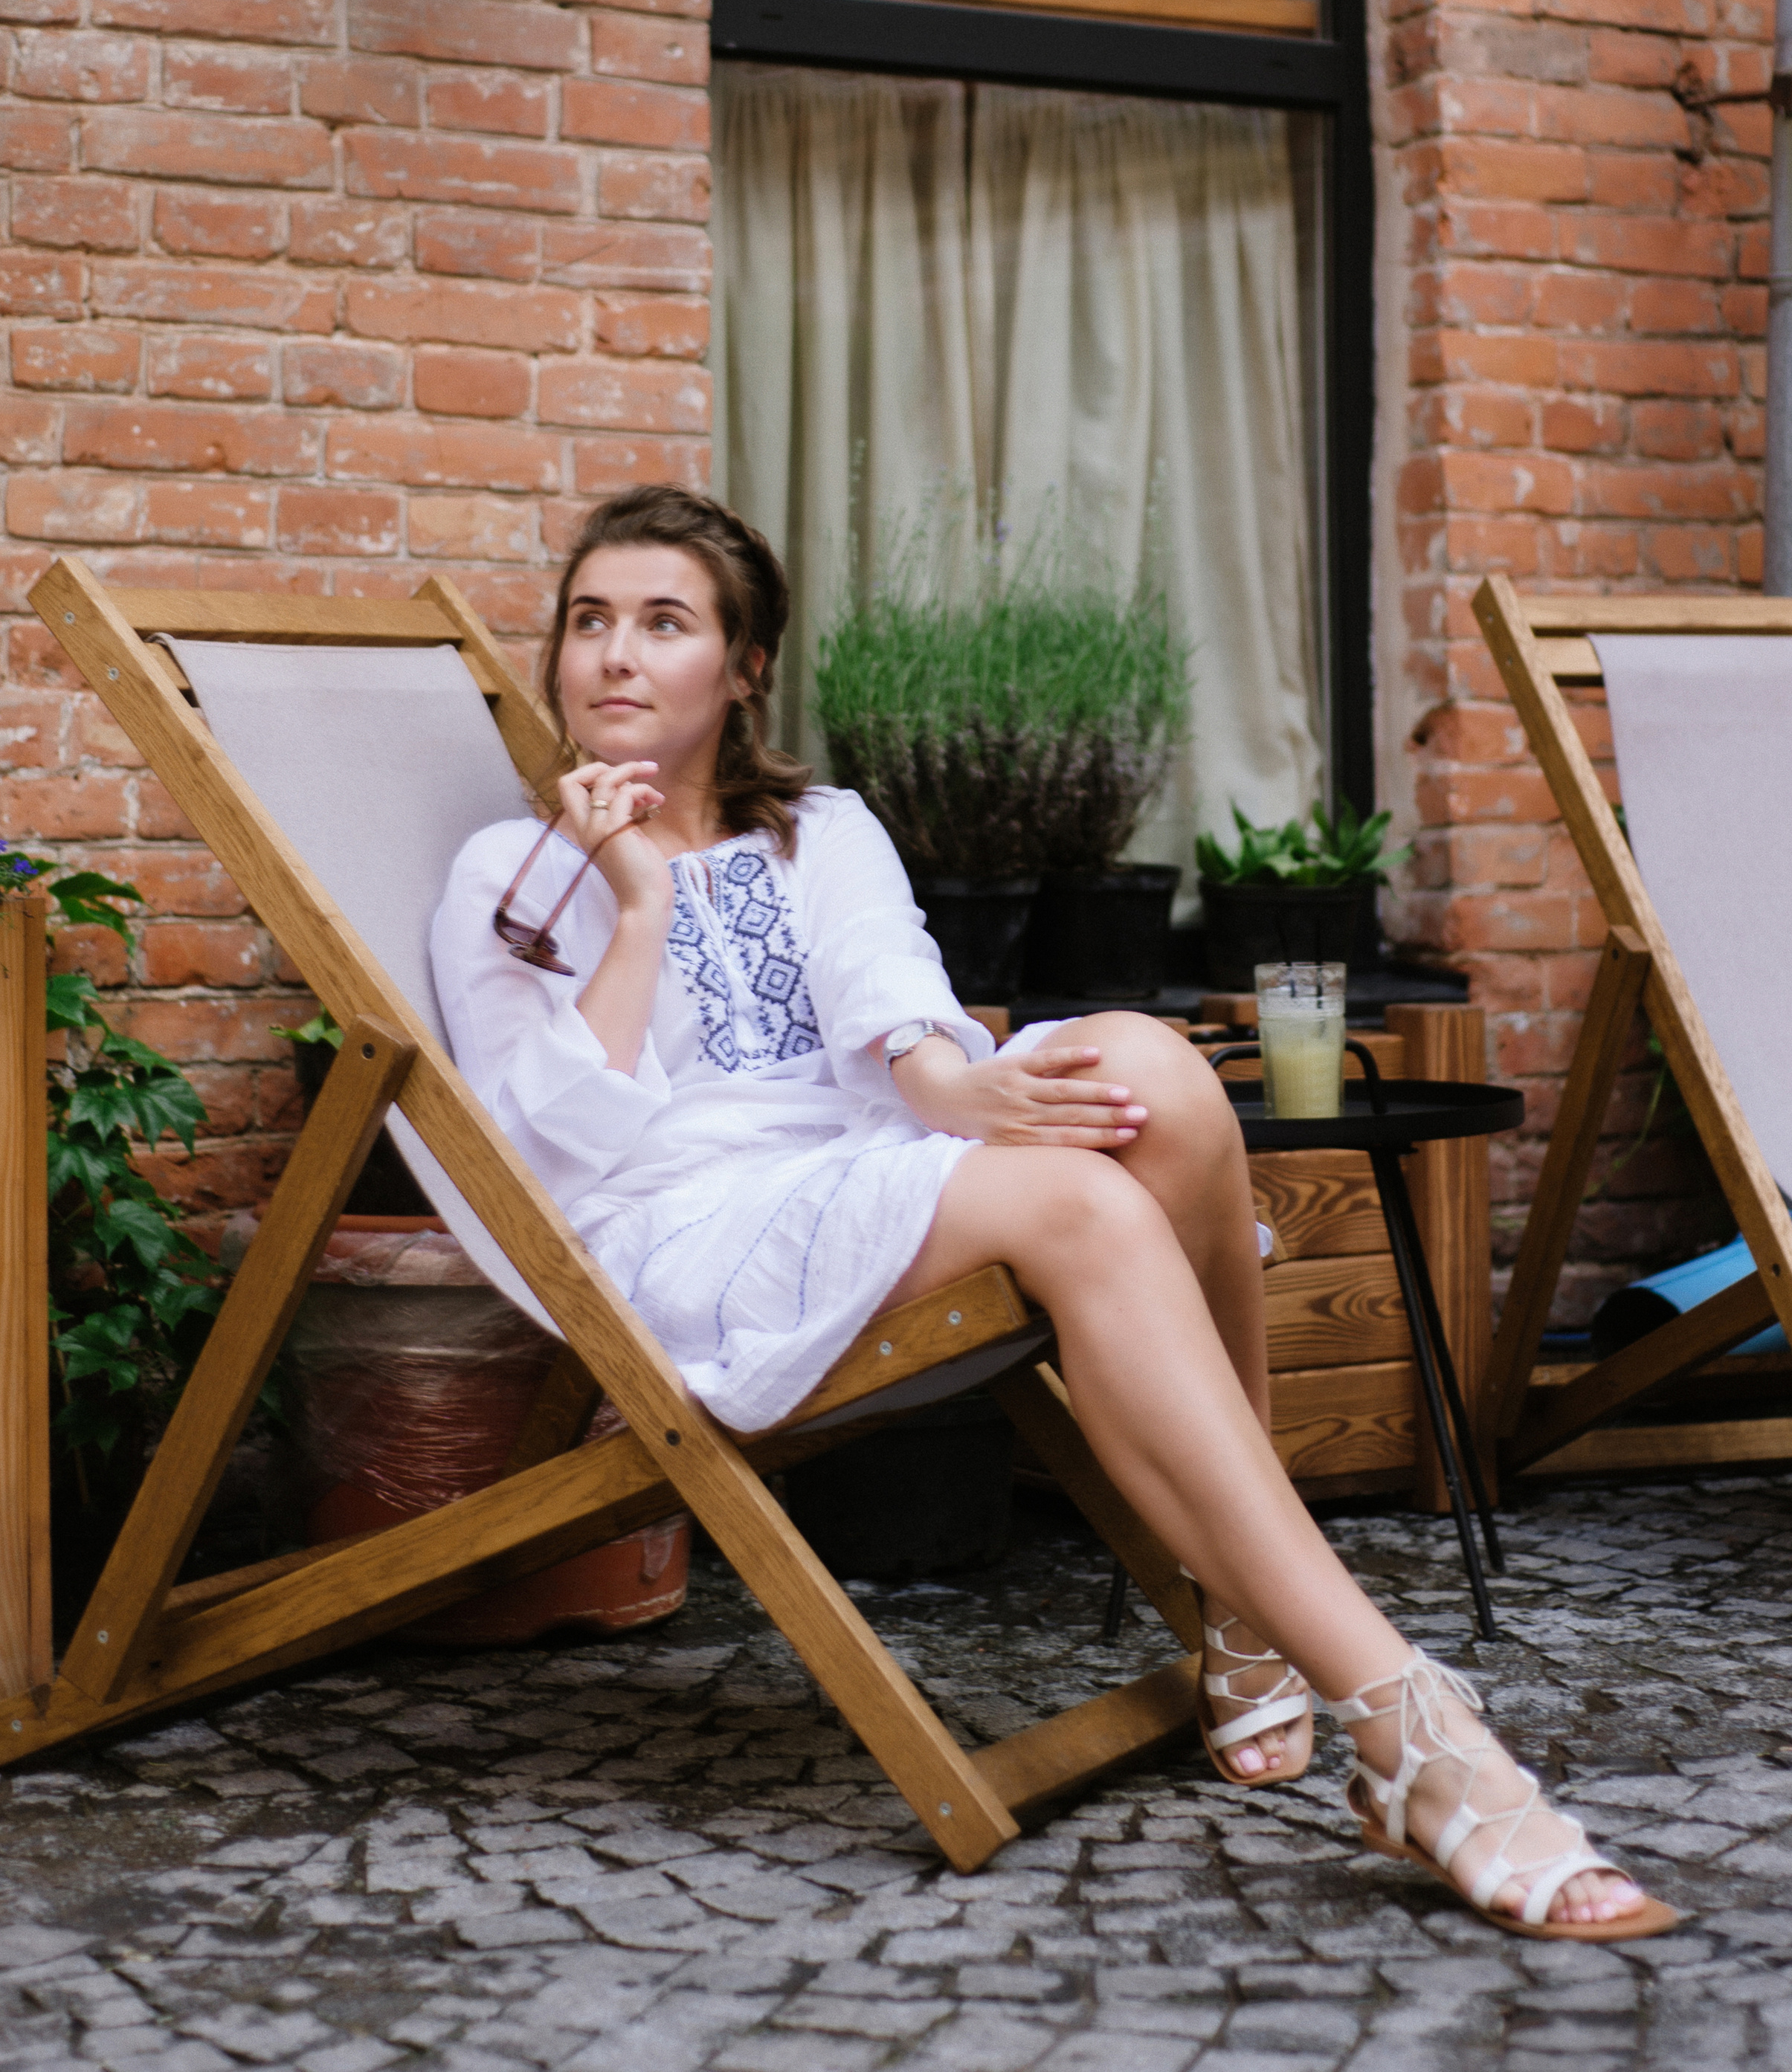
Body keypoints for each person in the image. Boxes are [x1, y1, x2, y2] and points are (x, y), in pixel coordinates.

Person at [430, 484, 1676, 1943]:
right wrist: (632, 900)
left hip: (867, 1153)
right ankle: (1407, 1724)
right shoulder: (505, 879)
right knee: (1082, 1205)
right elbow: (556, 1144)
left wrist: (957, 1092)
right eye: (589, 622)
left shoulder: (815, 827)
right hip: (684, 1232)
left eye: (663, 622)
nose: (616, 657)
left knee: (1161, 1079)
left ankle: (1236, 1610)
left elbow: (888, 999)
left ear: (742, 665)